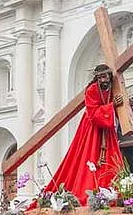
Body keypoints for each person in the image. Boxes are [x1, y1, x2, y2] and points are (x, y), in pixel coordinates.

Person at [41, 64, 124, 205]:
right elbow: (93, 112)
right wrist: (112, 107)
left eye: (104, 76)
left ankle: (115, 191)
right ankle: (91, 193)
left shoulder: (114, 88)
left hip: (107, 130)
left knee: (112, 161)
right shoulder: (91, 89)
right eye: (99, 77)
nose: (102, 80)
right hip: (93, 129)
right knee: (89, 156)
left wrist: (125, 106)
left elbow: (117, 107)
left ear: (109, 76)